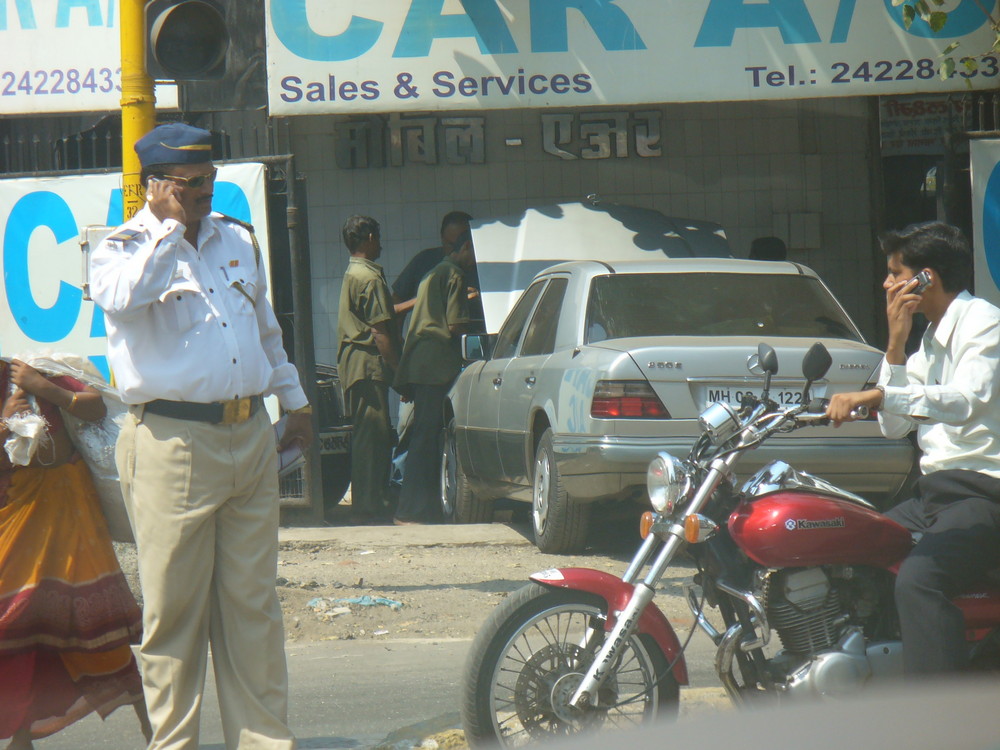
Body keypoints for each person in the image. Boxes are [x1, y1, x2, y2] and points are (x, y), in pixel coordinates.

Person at [89, 122, 313, 749]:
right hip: (172, 445)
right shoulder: (122, 250)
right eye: (187, 185)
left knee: (254, 611)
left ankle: (265, 742)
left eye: (208, 181)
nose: (202, 195)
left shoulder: (234, 240)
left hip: (249, 440)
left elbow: (265, 329)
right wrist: (165, 229)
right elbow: (128, 300)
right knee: (175, 619)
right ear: (155, 186)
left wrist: (293, 400)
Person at [826, 221, 1000, 676]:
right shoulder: (928, 338)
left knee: (921, 582)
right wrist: (896, 345)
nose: (886, 284)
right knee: (852, 547)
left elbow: (966, 401)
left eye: (893, 272)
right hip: (933, 496)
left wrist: (880, 394)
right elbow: (895, 425)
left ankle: (937, 722)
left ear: (926, 278)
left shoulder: (984, 324)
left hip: (982, 494)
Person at [0, 359, 150, 750]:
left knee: (94, 626)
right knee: (16, 630)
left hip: (68, 510)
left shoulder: (29, 370)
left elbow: (95, 406)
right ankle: (20, 737)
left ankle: (155, 729)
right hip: (14, 519)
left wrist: (41, 387)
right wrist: (4, 423)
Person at [392, 230, 476, 525]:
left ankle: (418, 509)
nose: (475, 262)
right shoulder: (454, 274)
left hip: (420, 363)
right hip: (435, 365)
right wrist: (471, 306)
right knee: (426, 439)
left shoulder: (433, 271)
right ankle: (411, 511)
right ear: (465, 246)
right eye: (473, 254)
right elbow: (454, 325)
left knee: (422, 436)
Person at [337, 215, 401, 523]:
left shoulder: (355, 271)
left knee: (370, 437)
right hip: (368, 365)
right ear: (370, 238)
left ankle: (369, 502)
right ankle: (368, 506)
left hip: (357, 364)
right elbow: (379, 330)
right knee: (372, 439)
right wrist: (398, 370)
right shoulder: (369, 277)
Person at [392, 210, 483, 331]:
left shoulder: (483, 266)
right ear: (442, 238)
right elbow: (397, 301)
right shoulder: (426, 261)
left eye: (461, 244)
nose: (456, 251)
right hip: (440, 341)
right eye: (451, 245)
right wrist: (397, 338)